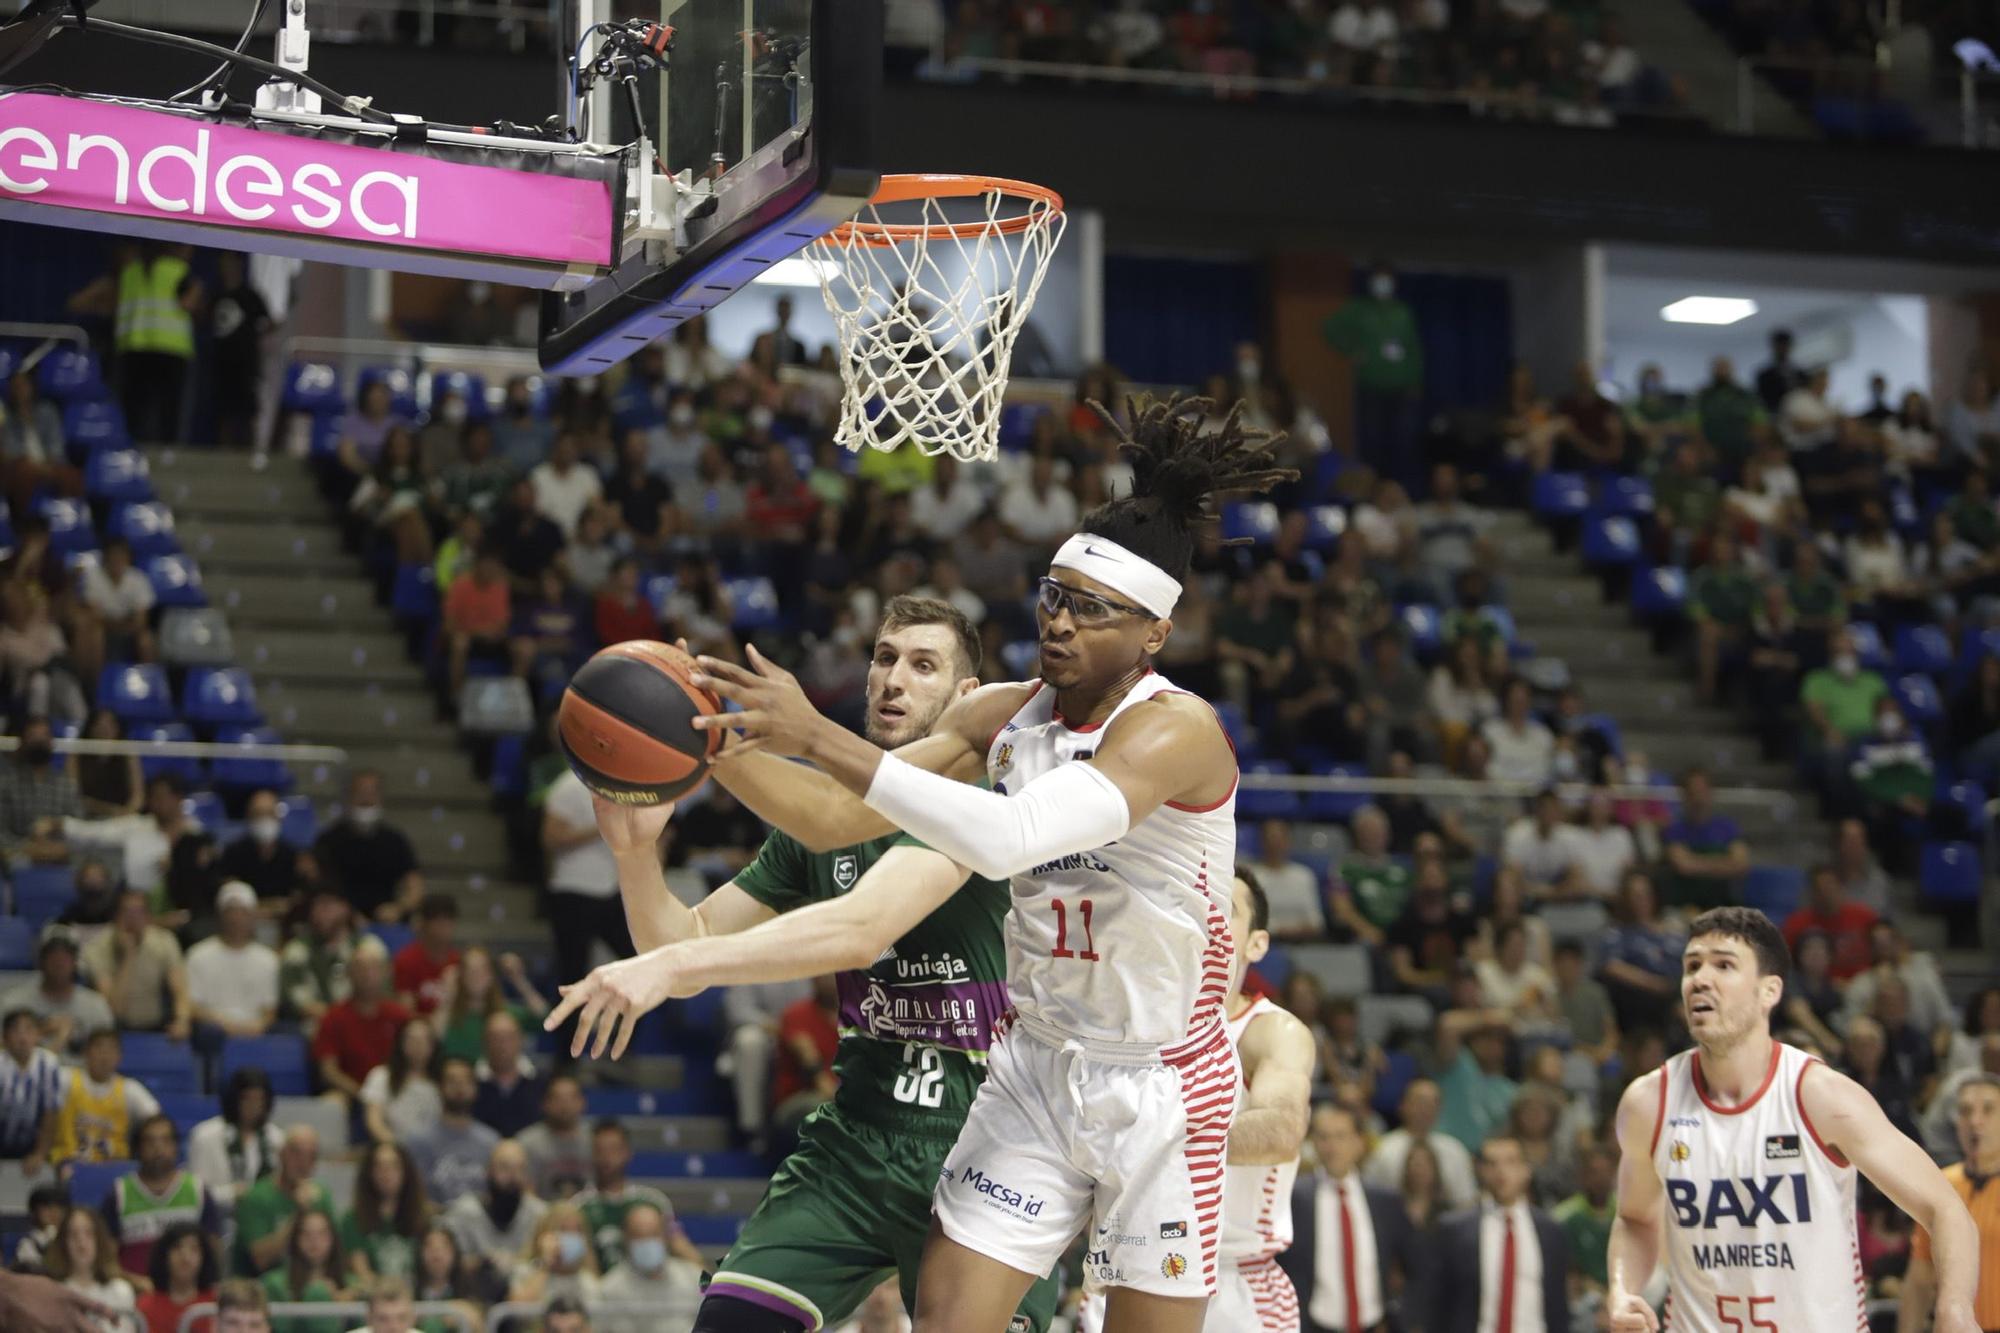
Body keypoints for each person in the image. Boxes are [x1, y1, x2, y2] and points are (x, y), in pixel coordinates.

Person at [554, 401, 1292, 1333]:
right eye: (1053, 595)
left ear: (1153, 633)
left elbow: (1012, 835)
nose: (1060, 622)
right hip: (1032, 1066)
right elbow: (836, 815)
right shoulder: (1006, 714)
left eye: (1092, 609)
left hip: (1160, 1074)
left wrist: (816, 734)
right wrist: (709, 742)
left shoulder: (1174, 731)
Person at [549, 597, 1059, 1331]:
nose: (893, 679)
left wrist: (717, 746)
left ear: (966, 697)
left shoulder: (979, 795)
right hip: (857, 1136)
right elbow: (680, 945)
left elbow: (859, 929)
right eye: (884, 658)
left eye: (922, 665)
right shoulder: (817, 829)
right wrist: (635, 853)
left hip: (984, 1142)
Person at [1605, 907, 1983, 1333]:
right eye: (1692, 965)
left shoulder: (1820, 1097)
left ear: (1769, 991)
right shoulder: (1649, 1102)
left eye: (1723, 965)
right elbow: (1636, 1219)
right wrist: (1622, 1290)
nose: (1700, 979)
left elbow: (1945, 1208)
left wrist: (1955, 1308)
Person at [1428, 1133, 1570, 1333]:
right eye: (1491, 1164)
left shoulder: (1551, 1231)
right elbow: (1438, 1302)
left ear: (1526, 1170)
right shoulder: (1454, 1230)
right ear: (1479, 1170)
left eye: (1511, 1162)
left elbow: (1558, 1304)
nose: (1501, 1171)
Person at [1899, 1075, 2000, 1333]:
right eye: (1966, 1111)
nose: (1975, 1121)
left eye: (1988, 1110)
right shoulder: (1942, 1185)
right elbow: (1919, 1278)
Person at [540, 768, 634, 1021]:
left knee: (638, 960)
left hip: (610, 889)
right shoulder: (569, 786)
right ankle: (566, 1054)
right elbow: (551, 837)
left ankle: (625, 1041)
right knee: (571, 973)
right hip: (574, 890)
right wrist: (600, 827)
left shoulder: (621, 785)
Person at [103, 1114, 224, 1275]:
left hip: (189, 1293)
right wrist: (136, 1283)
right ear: (138, 1147)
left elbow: (213, 1253)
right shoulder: (119, 1194)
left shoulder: (197, 1190)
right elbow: (106, 1260)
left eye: (165, 1141)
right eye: (150, 1142)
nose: (158, 1149)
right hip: (135, 1291)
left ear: (176, 1147)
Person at [573, 1119, 701, 1271]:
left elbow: (678, 1243)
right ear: (592, 1154)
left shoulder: (653, 1201)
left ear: (627, 1153)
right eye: (600, 1150)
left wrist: (709, 1279)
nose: (607, 1157)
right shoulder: (578, 1206)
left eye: (614, 1150)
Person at [313, 772, 424, 924]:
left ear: (380, 797)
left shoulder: (395, 841)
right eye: (360, 793)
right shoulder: (329, 840)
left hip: (385, 923)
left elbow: (415, 886)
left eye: (371, 793)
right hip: (339, 923)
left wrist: (398, 908)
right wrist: (344, 912)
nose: (366, 799)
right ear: (349, 796)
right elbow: (316, 885)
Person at [1362, 1077, 1478, 1210]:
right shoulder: (1382, 1148)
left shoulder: (1454, 1149)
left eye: (1433, 1103)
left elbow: (1466, 1202)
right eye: (1420, 1101)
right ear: (1402, 1105)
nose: (1425, 1109)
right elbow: (1369, 1199)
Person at [187, 881, 281, 1043]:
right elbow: (193, 1007)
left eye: (243, 912)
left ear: (253, 917)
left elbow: (269, 1012)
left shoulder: (268, 960)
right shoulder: (198, 955)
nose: (236, 918)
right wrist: (227, 1027)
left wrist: (253, 1028)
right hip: (213, 1036)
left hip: (255, 1036)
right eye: (230, 911)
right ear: (220, 915)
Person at [49, 1028, 159, 1165]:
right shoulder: (67, 1079)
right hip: (67, 1164)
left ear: (119, 1057)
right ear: (86, 1053)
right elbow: (41, 1069)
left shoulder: (129, 1089)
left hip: (113, 1167)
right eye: (99, 1048)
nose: (104, 1056)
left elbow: (157, 1121)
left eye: (111, 1050)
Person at [233, 1126, 332, 1277]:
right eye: (296, 1153)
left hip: (311, 1280)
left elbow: (336, 1252)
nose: (303, 1163)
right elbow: (261, 1260)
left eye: (311, 1156)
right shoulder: (256, 1197)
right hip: (264, 1283)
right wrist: (299, 1214)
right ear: (281, 1154)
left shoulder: (321, 1196)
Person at [404, 1057, 499, 1207]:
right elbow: (412, 1195)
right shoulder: (418, 1141)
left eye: (466, 1081)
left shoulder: (491, 1141)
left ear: (475, 1088)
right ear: (439, 1088)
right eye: (452, 1081)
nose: (459, 1087)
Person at [188, 1068, 286, 1214]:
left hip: (263, 1219)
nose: (254, 1106)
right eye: (247, 1099)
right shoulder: (205, 1136)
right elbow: (195, 1193)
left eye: (259, 1099)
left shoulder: (276, 1137)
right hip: (218, 1219)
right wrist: (231, 1194)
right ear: (234, 1099)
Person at [594, 1203, 702, 1333]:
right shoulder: (609, 1289)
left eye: (653, 1234)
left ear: (665, 1236)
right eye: (639, 1235)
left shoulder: (693, 1278)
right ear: (626, 1239)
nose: (647, 1241)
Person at [442, 1139, 546, 1272]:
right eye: (504, 1168)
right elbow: (447, 1262)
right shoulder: (463, 1213)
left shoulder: (539, 1214)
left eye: (520, 1169)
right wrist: (481, 1263)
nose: (513, 1177)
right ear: (488, 1171)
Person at [2, 934, 114, 1055]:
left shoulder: (96, 1006)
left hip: (81, 1072)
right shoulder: (13, 1003)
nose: (59, 963)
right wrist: (42, 1030)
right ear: (41, 962)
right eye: (53, 957)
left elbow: (108, 1051)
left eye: (65, 958)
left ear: (75, 963)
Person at [1660, 768, 1749, 914]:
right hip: (1686, 907)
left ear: (1710, 793)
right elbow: (1683, 866)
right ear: (1685, 795)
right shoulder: (1674, 830)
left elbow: (1741, 864)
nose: (1698, 798)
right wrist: (1724, 863)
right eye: (1693, 792)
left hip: (1726, 906)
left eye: (1702, 791)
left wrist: (1696, 862)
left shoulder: (1727, 828)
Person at [341, 1142, 431, 1286]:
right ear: (369, 1173)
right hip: (374, 1299)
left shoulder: (423, 1218)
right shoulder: (352, 1219)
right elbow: (362, 1272)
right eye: (379, 1167)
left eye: (394, 1166)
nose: (386, 1173)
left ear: (406, 1172)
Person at [0, 715, 83, 866]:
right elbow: (2, 832)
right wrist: (29, 849)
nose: (39, 742)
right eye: (33, 736)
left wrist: (57, 848)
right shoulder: (6, 782)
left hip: (61, 856)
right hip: (17, 857)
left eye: (44, 736)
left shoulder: (65, 783)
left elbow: (78, 826)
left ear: (52, 742)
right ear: (22, 742)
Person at [43, 1205, 137, 1331]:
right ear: (63, 1243)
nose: (81, 1242)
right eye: (73, 1234)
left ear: (100, 1240)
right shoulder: (53, 1292)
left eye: (89, 1233)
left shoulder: (121, 1291)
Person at [261, 1208, 349, 1333]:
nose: (314, 1240)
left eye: (322, 1233)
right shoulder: (274, 1284)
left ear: (333, 1238)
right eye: (306, 1234)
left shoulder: (351, 1284)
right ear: (295, 1239)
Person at [280, 886, 358, 1027]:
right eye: (315, 906)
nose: (319, 913)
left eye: (327, 905)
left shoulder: (366, 948)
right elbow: (295, 999)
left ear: (344, 908)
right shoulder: (297, 950)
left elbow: (379, 997)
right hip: (315, 1027)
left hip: (360, 1025)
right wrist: (335, 1017)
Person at [0, 1006, 64, 1172]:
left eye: (29, 1029)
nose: (22, 1037)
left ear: (38, 1035)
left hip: (35, 1145)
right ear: (5, 1038)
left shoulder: (48, 1064)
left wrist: (40, 1154)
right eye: (15, 1030)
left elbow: (51, 1113)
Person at [1554, 1142, 1618, 1309]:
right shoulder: (1563, 1216)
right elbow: (1565, 1269)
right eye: (1594, 1173)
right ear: (1582, 1176)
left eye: (1606, 1172)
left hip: (1622, 1290)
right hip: (1582, 1295)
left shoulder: (1627, 1213)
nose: (1601, 1179)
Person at [360, 1019, 443, 1146]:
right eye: (411, 1039)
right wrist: (399, 1149)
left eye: (423, 1040)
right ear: (400, 1043)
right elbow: (374, 1122)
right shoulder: (381, 1076)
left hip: (434, 1149)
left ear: (433, 1045)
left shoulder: (442, 1081)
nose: (417, 1045)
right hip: (393, 1149)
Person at [219, 790, 307, 906]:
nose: (265, 819)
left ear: (278, 817)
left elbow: (296, 900)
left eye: (270, 813)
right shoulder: (232, 854)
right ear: (248, 817)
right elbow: (232, 900)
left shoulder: (292, 855)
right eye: (258, 814)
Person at [506, 1204, 602, 1308]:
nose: (572, 1236)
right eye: (563, 1229)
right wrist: (546, 1264)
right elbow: (517, 1309)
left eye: (578, 1230)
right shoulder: (525, 1271)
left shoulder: (587, 1280)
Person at [515, 1074, 592, 1201]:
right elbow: (523, 1192)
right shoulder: (526, 1143)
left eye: (571, 1098)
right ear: (545, 1103)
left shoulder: (595, 1140)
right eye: (558, 1099)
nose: (565, 1106)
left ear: (582, 1103)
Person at [1251, 820, 1329, 941]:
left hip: (1305, 942)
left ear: (1288, 841)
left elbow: (1316, 922)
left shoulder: (1304, 875)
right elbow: (1253, 921)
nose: (1275, 844)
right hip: (1266, 943)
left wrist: (1295, 932)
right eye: (1271, 839)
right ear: (1262, 842)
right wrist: (1279, 931)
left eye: (1280, 839)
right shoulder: (1253, 877)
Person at [471, 1010, 542, 1138]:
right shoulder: (470, 1084)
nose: (502, 1045)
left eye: (508, 1038)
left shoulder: (541, 1084)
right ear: (484, 1042)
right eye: (495, 1038)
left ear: (521, 1040)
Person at [136, 1222, 217, 1333]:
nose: (185, 1257)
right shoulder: (145, 1306)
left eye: (194, 1249)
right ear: (164, 1256)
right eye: (177, 1248)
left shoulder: (215, 1303)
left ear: (204, 1257)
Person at [392, 895, 461, 1017]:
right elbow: (406, 1014)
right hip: (420, 1033)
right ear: (424, 924)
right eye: (438, 920)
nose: (444, 927)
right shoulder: (407, 960)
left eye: (449, 919)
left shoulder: (458, 961)